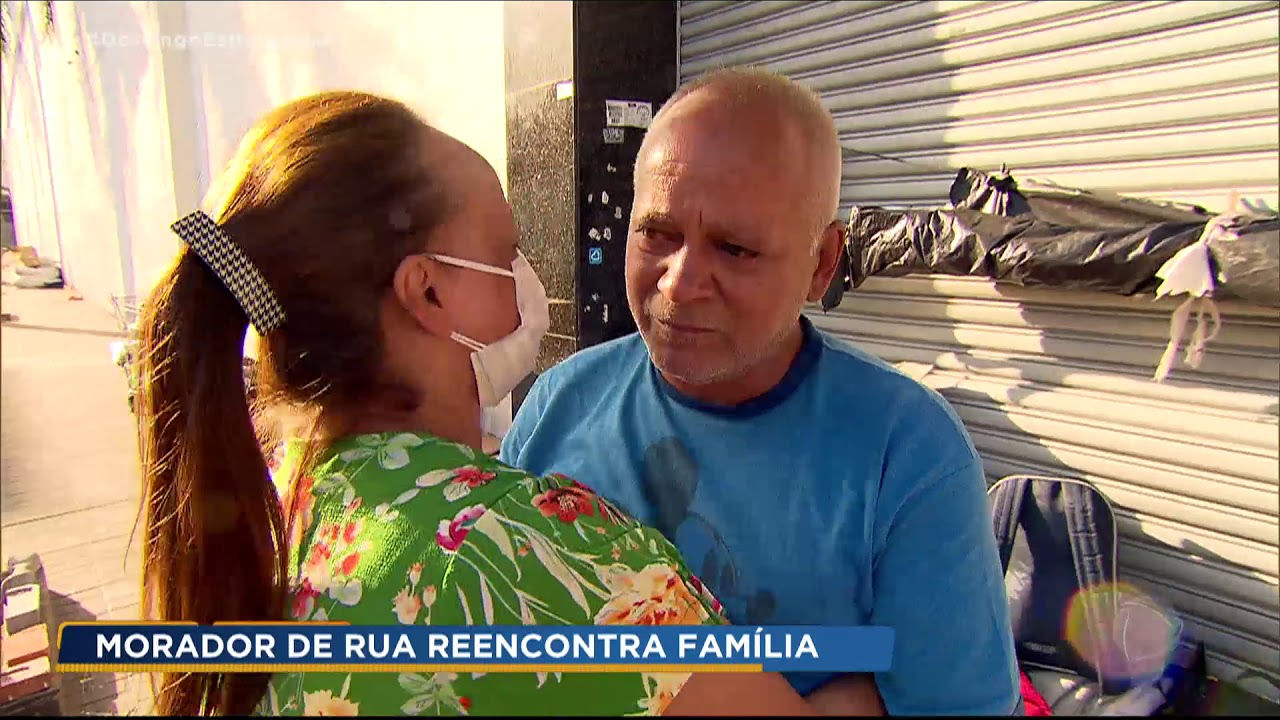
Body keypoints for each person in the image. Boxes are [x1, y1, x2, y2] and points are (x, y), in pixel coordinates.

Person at [133, 90, 833, 717]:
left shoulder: (274, 500)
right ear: (429, 292)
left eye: (736, 248)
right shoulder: (531, 548)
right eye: (508, 253)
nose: (524, 283)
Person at [501, 67, 1024, 715]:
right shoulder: (557, 408)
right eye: (657, 233)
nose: (680, 282)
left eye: (736, 248)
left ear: (823, 264)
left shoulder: (907, 452)